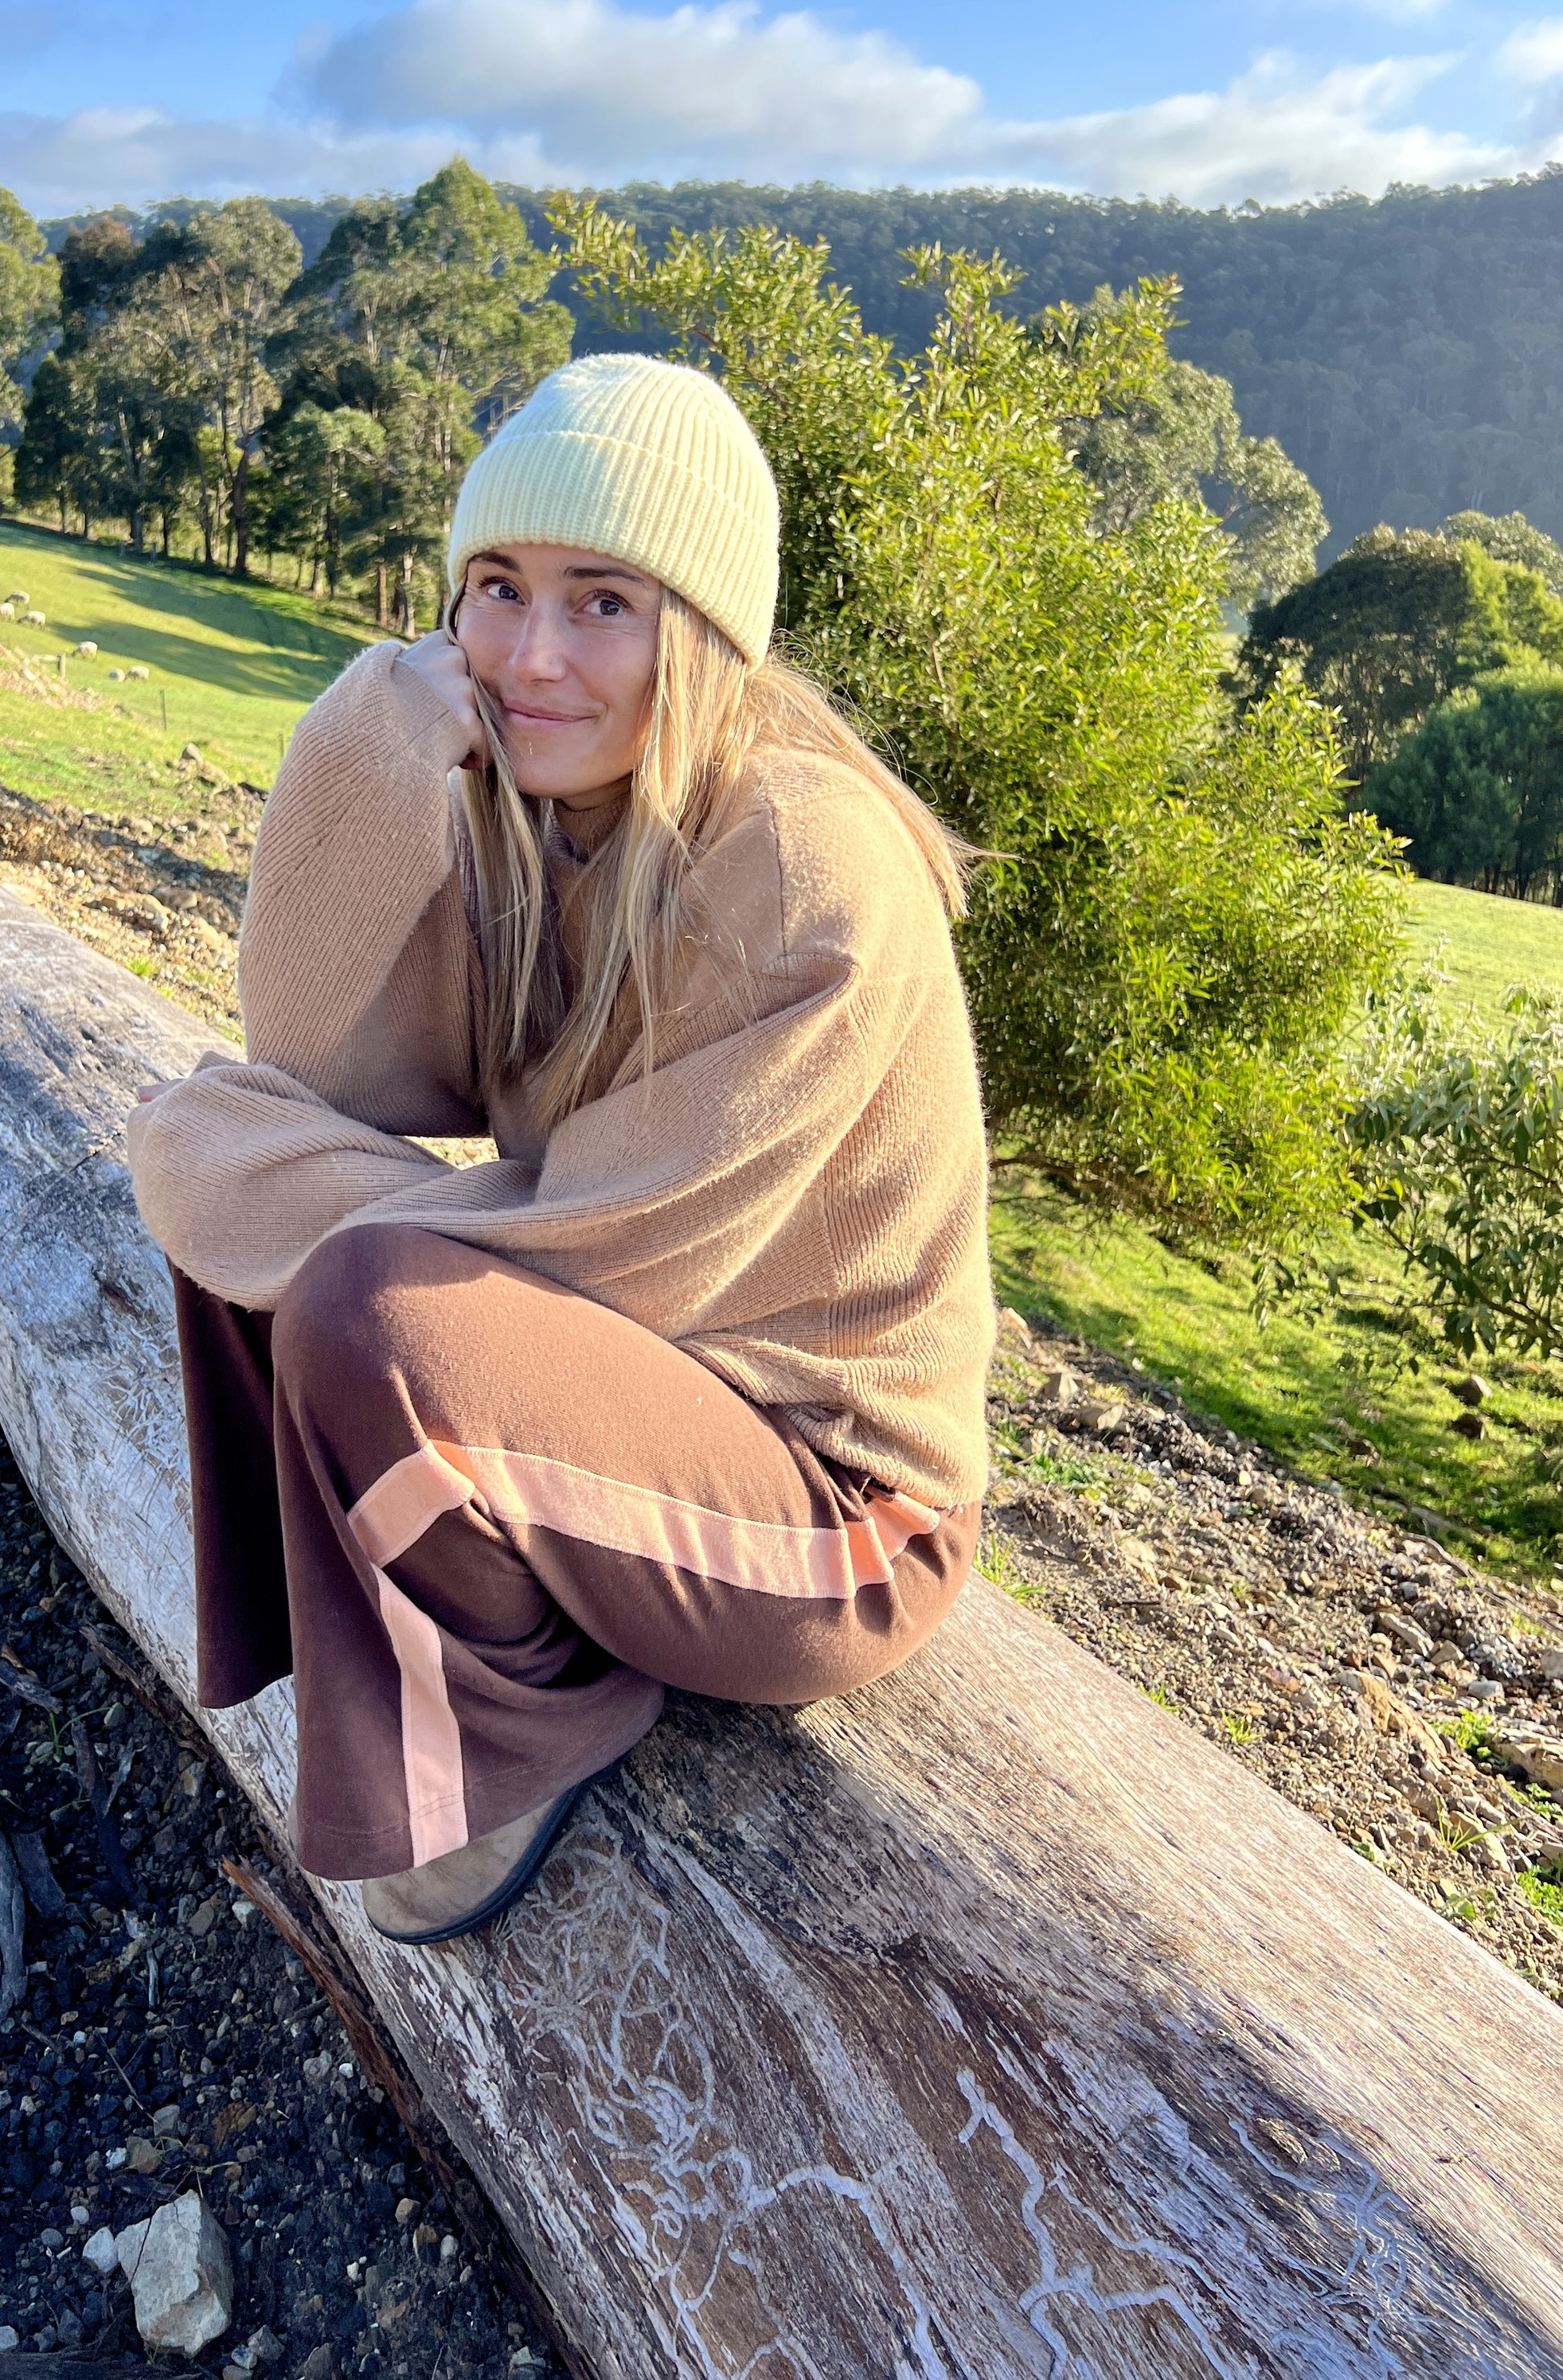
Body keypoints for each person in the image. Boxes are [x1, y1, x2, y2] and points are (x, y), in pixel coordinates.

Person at [127, 352, 994, 1947]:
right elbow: (314, 1064)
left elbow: (633, 1265)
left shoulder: (801, 867)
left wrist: (349, 1250)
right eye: (494, 589)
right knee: (206, 1140)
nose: (531, 654)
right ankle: (373, 1633)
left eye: (604, 601)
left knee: (360, 1306)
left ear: (705, 628)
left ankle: (509, 1729)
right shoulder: (546, 815)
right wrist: (364, 747)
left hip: (826, 1507)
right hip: (632, 1359)